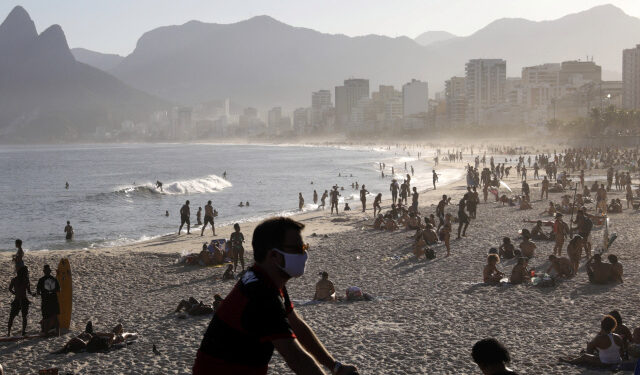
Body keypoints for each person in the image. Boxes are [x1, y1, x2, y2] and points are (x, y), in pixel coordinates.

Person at [192, 217, 358, 375]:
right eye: (299, 249)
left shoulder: (267, 279)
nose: (304, 254)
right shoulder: (261, 294)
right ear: (274, 256)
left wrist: (335, 367)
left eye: (304, 248)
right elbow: (295, 357)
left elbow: (297, 326)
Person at [54, 321, 138, 354]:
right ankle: (132, 332)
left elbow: (76, 339)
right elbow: (112, 335)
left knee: (120, 328)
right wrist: (99, 334)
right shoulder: (107, 343)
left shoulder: (91, 344)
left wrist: (90, 336)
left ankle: (88, 333)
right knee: (123, 328)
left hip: (109, 337)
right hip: (118, 337)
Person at [8, 266, 35, 336]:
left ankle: (9, 332)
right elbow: (29, 291)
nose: (27, 273)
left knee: (13, 316)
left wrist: (15, 293)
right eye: (26, 271)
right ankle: (22, 331)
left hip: (19, 299)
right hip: (22, 300)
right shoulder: (25, 280)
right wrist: (32, 294)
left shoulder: (15, 280)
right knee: (22, 316)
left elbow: (10, 289)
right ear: (24, 272)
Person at [36, 265, 60, 336]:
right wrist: (52, 291)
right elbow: (59, 289)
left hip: (46, 302)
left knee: (46, 318)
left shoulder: (41, 280)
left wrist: (44, 292)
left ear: (44, 271)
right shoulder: (54, 279)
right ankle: (57, 333)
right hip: (54, 301)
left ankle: (46, 334)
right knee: (55, 317)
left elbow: (38, 292)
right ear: (50, 271)